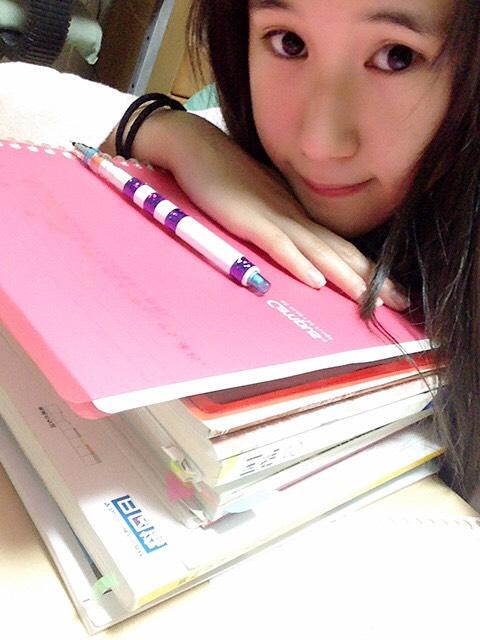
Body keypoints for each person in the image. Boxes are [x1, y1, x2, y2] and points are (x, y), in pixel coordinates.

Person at [0, 0, 478, 501]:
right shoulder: (235, 153)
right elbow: (14, 90)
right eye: (289, 43)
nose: (319, 143)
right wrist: (171, 132)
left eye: (398, 56)